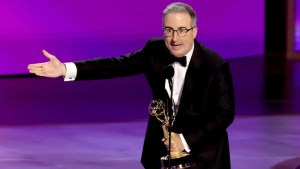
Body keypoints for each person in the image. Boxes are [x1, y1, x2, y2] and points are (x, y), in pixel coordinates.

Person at [28, 2, 235, 169]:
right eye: (169, 30)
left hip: (204, 157)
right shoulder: (154, 50)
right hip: (160, 155)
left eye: (182, 30)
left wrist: (185, 140)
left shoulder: (214, 65)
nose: (174, 38)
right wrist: (65, 69)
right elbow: (115, 65)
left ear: (194, 31)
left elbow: (224, 114)